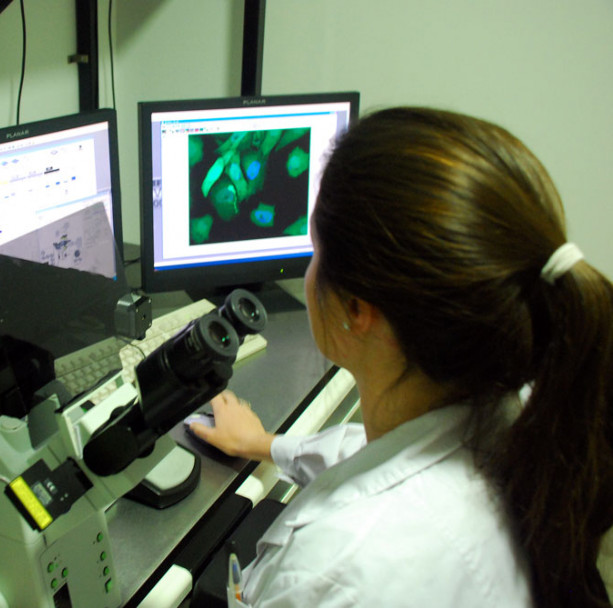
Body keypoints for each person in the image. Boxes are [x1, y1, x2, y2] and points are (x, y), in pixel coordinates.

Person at [189, 107, 613, 608]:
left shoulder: (338, 570)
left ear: (356, 310)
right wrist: (266, 444)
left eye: (315, 251)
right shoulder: (519, 415)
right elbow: (386, 455)